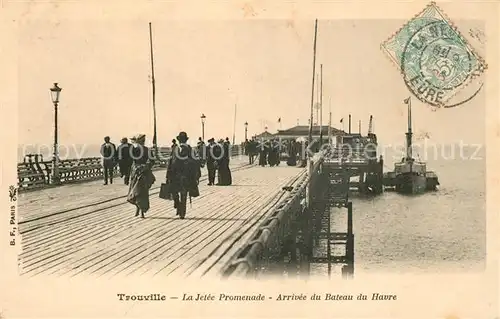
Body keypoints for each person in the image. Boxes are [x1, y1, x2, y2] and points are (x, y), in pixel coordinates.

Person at [166, 131, 201, 219]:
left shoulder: (185, 149)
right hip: (180, 175)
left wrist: (196, 174)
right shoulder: (178, 148)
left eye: (182, 140)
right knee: (178, 193)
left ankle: (181, 211)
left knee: (180, 193)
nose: (181, 142)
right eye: (181, 140)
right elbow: (170, 162)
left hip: (182, 175)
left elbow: (194, 162)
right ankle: (179, 206)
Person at [126, 134, 156, 218]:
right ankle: (140, 209)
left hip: (137, 173)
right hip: (142, 173)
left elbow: (129, 160)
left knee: (136, 191)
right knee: (142, 192)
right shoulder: (146, 150)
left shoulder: (135, 150)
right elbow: (152, 161)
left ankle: (139, 209)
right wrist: (146, 166)